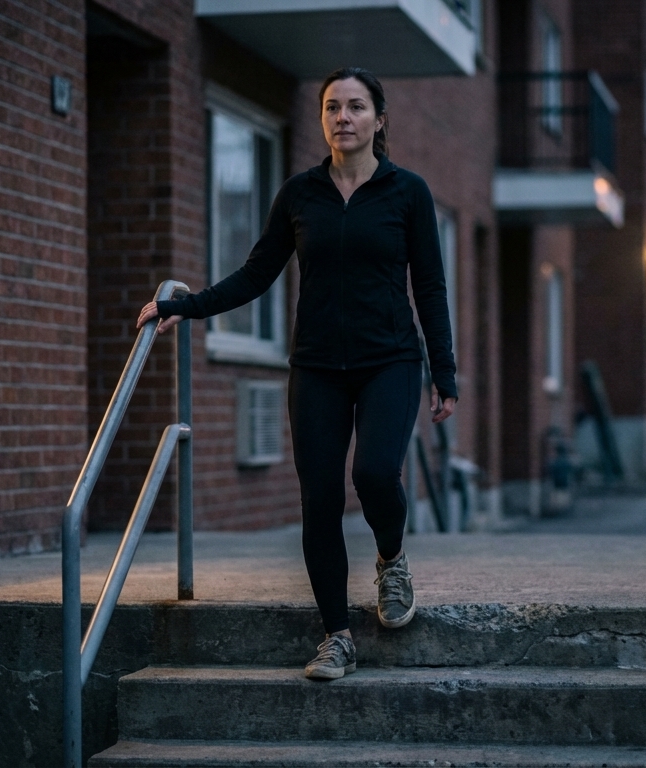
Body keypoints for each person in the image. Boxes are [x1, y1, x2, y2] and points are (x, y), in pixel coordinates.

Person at [136, 67, 457, 681]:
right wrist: (185, 305)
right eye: (333, 107)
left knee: (373, 472)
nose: (344, 117)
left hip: (390, 359)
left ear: (379, 120)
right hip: (316, 366)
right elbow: (257, 274)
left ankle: (391, 557)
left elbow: (432, 287)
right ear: (322, 120)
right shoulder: (300, 194)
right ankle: (337, 636)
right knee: (319, 499)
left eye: (357, 107)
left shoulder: (407, 192)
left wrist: (444, 371)